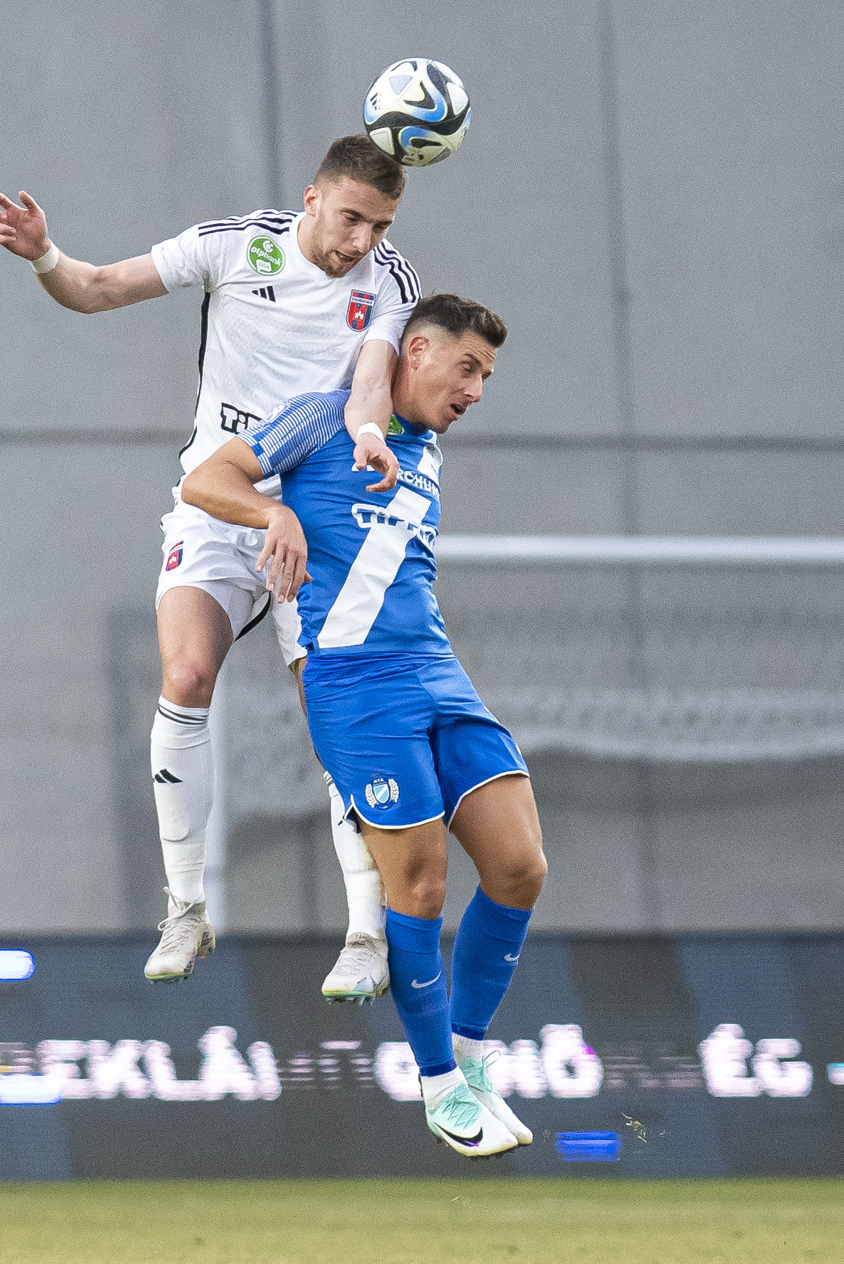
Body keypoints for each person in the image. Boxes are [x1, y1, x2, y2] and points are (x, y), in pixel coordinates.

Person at [0, 138, 422, 997]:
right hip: (224, 496)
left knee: (335, 718)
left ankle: (366, 934)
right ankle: (186, 910)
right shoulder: (236, 245)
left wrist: (370, 433)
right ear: (311, 199)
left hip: (319, 516)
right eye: (351, 219)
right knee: (185, 674)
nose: (361, 242)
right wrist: (44, 254)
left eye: (379, 226)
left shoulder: (389, 280)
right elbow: (98, 287)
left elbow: (373, 380)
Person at [179, 294, 545, 1159]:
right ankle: (438, 1084)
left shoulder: (426, 451)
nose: (477, 391)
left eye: (487, 377)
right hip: (354, 685)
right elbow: (206, 480)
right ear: (415, 352)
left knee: (520, 866)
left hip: (437, 672)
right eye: (468, 368)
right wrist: (275, 513)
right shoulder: (321, 419)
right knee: (418, 887)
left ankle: (470, 1054)